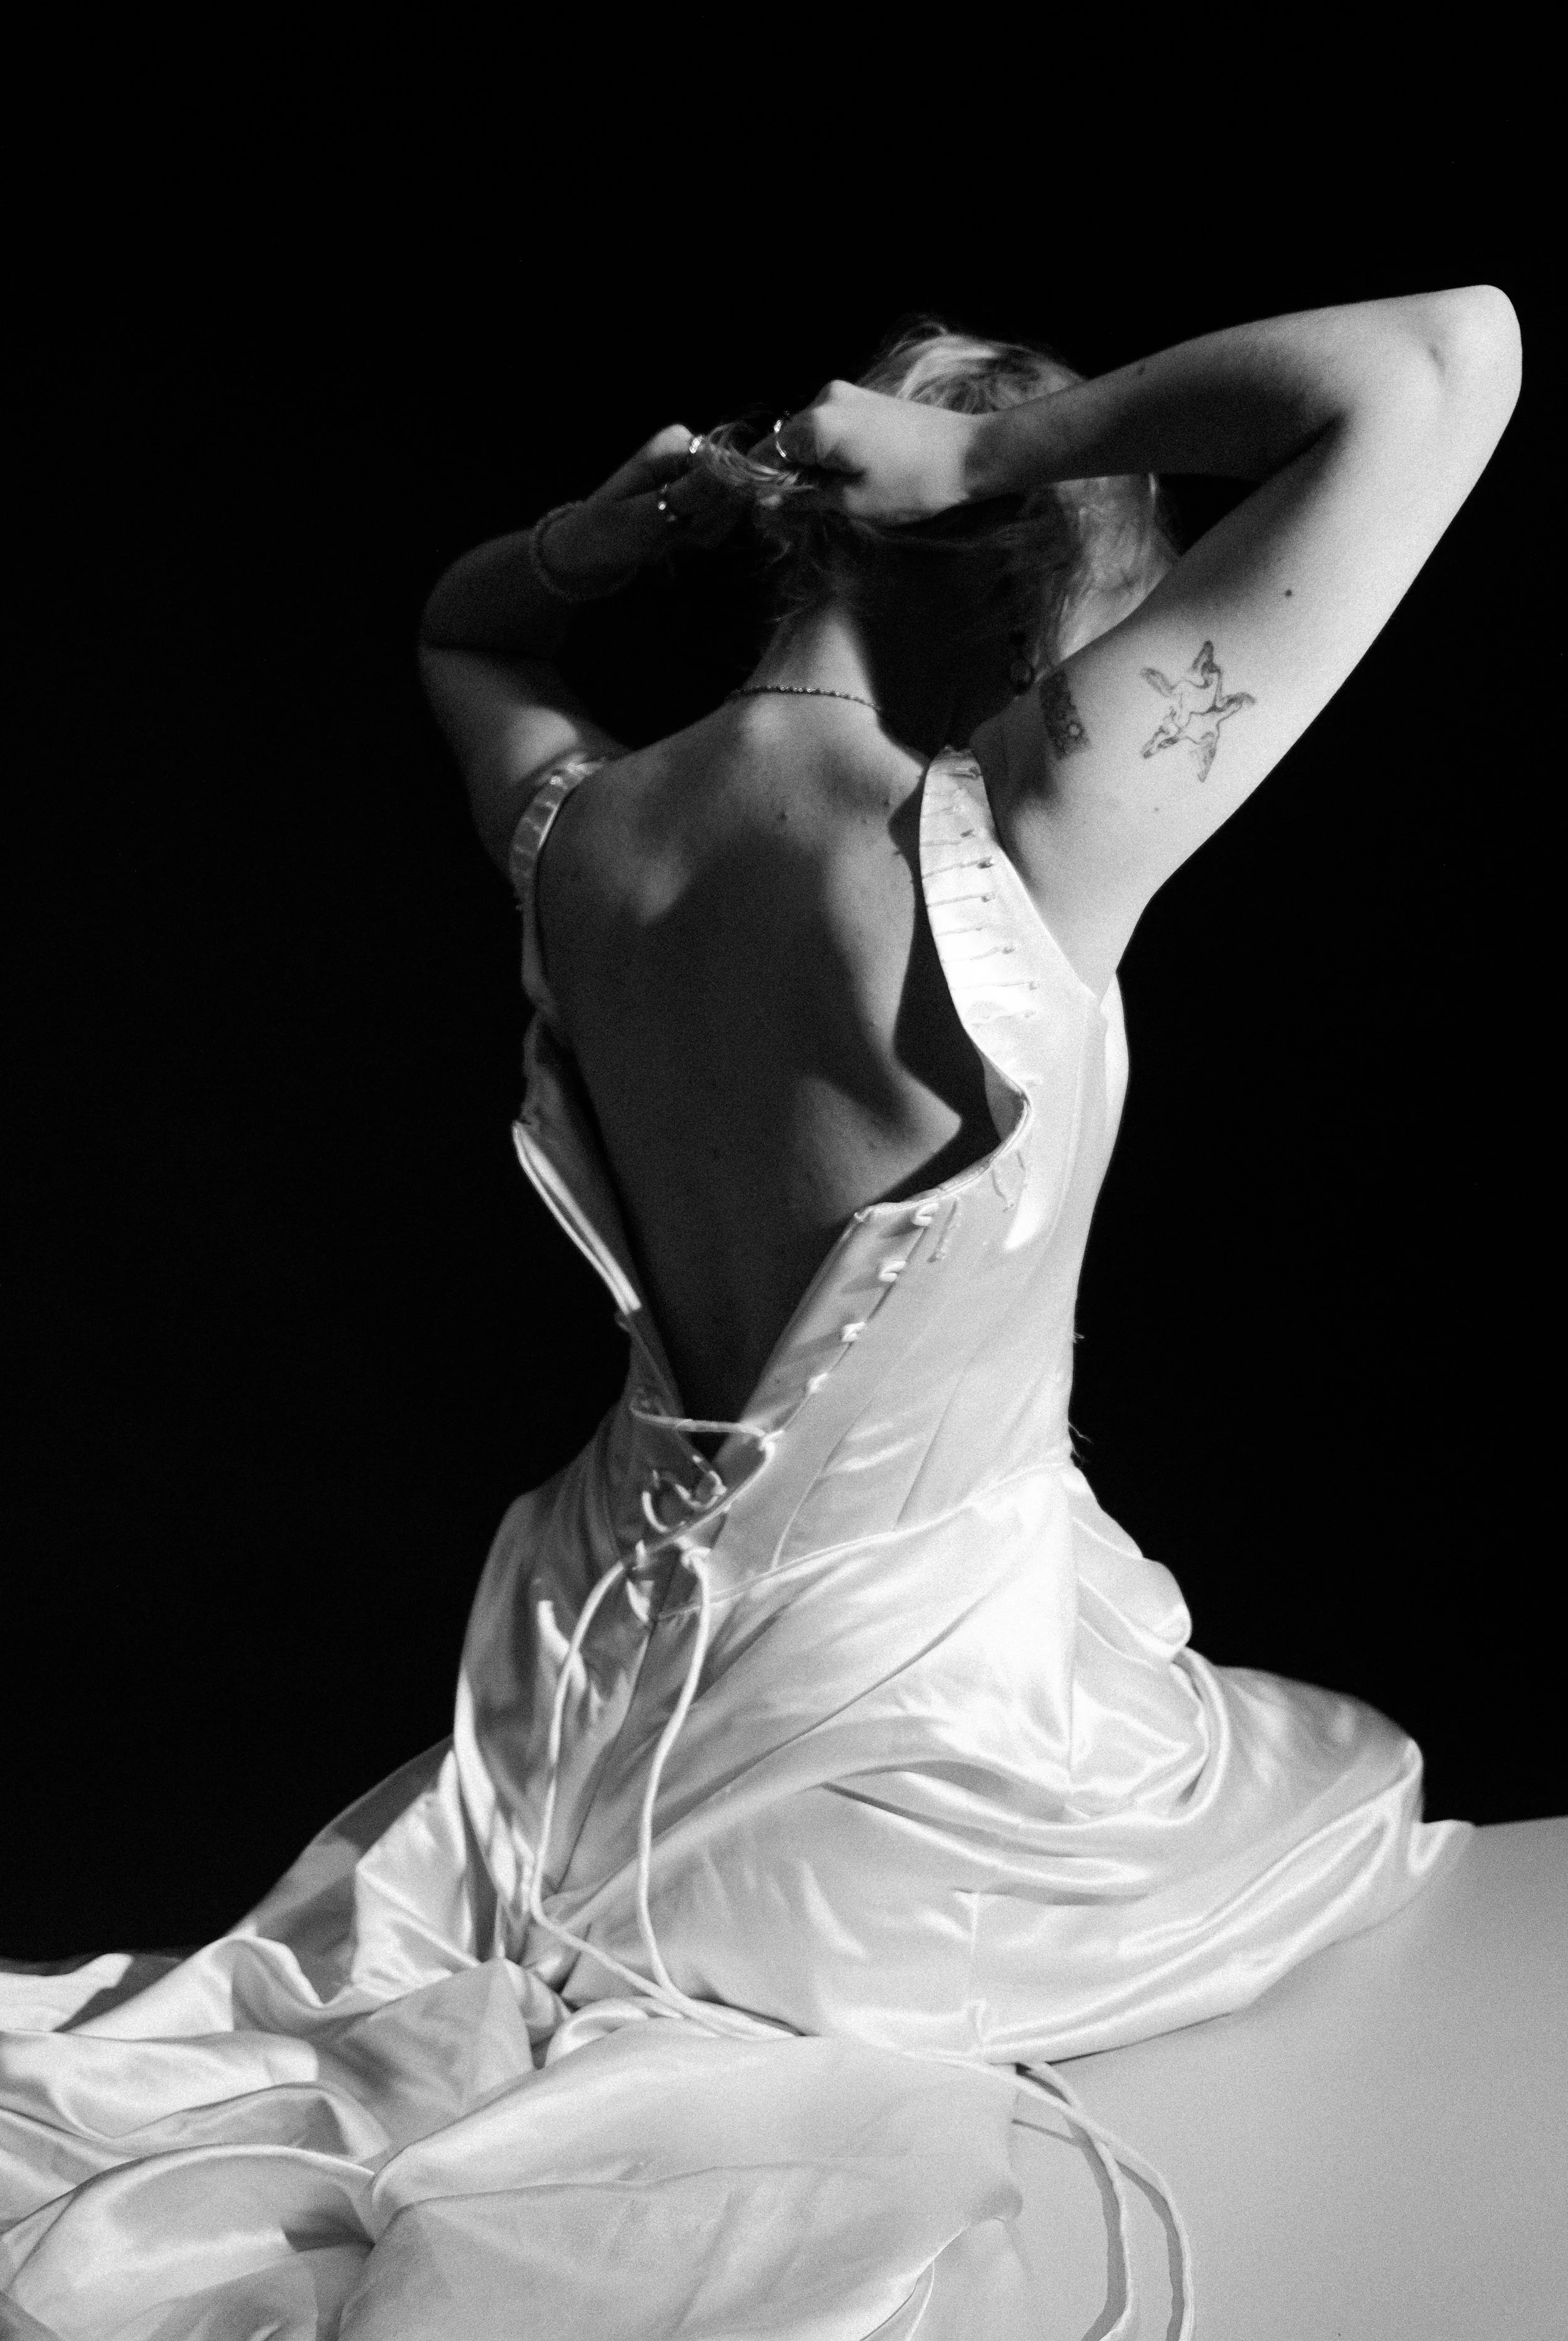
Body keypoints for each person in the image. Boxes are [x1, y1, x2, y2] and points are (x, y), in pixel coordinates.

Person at [0, 290, 1525, 2337]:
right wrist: (999, 451)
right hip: (908, 1752)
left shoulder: (584, 839)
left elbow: (465, 631)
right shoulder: (1012, 844)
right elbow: (1444, 362)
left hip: (576, 1714)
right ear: (1036, 559)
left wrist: (590, 545)